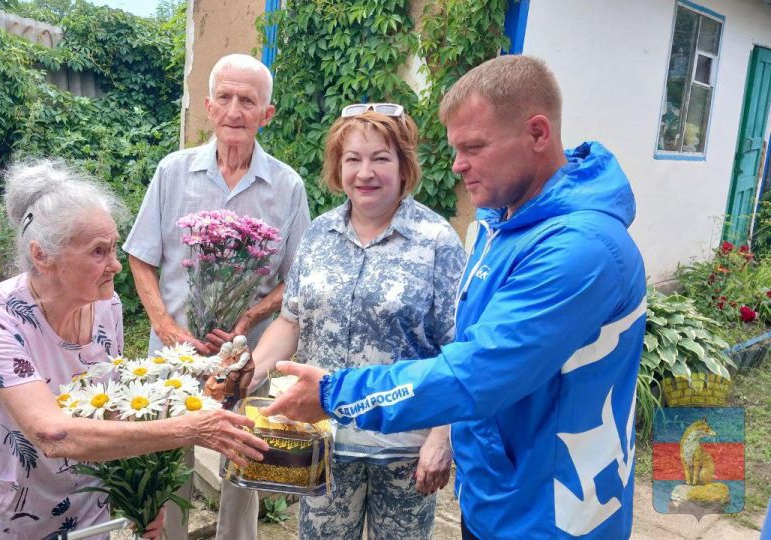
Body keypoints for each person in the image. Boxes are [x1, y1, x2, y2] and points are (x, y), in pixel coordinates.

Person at [262, 55, 647, 539]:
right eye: (454, 147)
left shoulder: (579, 249)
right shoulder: (502, 223)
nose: (457, 164)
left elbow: (474, 372)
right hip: (498, 496)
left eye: (474, 147)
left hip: (552, 513)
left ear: (537, 134)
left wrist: (334, 394)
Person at [0, 160, 268, 540]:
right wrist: (189, 429)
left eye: (113, 248)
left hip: (82, 508)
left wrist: (143, 494)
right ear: (42, 256)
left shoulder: (106, 308)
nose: (116, 266)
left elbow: (111, 407)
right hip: (2, 513)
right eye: (98, 252)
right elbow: (52, 433)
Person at [249, 105, 466, 538]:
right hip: (325, 445)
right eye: (353, 159)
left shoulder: (437, 240)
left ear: (404, 166)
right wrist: (247, 370)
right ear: (338, 167)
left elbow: (459, 351)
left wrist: (443, 439)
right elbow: (291, 322)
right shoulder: (318, 236)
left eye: (380, 158)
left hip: (405, 450)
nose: (365, 172)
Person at [123, 53, 310, 540]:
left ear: (266, 114)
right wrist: (165, 326)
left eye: (247, 101)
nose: (235, 110)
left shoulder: (287, 187)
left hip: (249, 360)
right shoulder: (173, 172)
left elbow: (298, 279)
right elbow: (140, 256)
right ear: (208, 106)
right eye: (225, 97)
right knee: (169, 464)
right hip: (173, 354)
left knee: (245, 463)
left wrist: (249, 318)